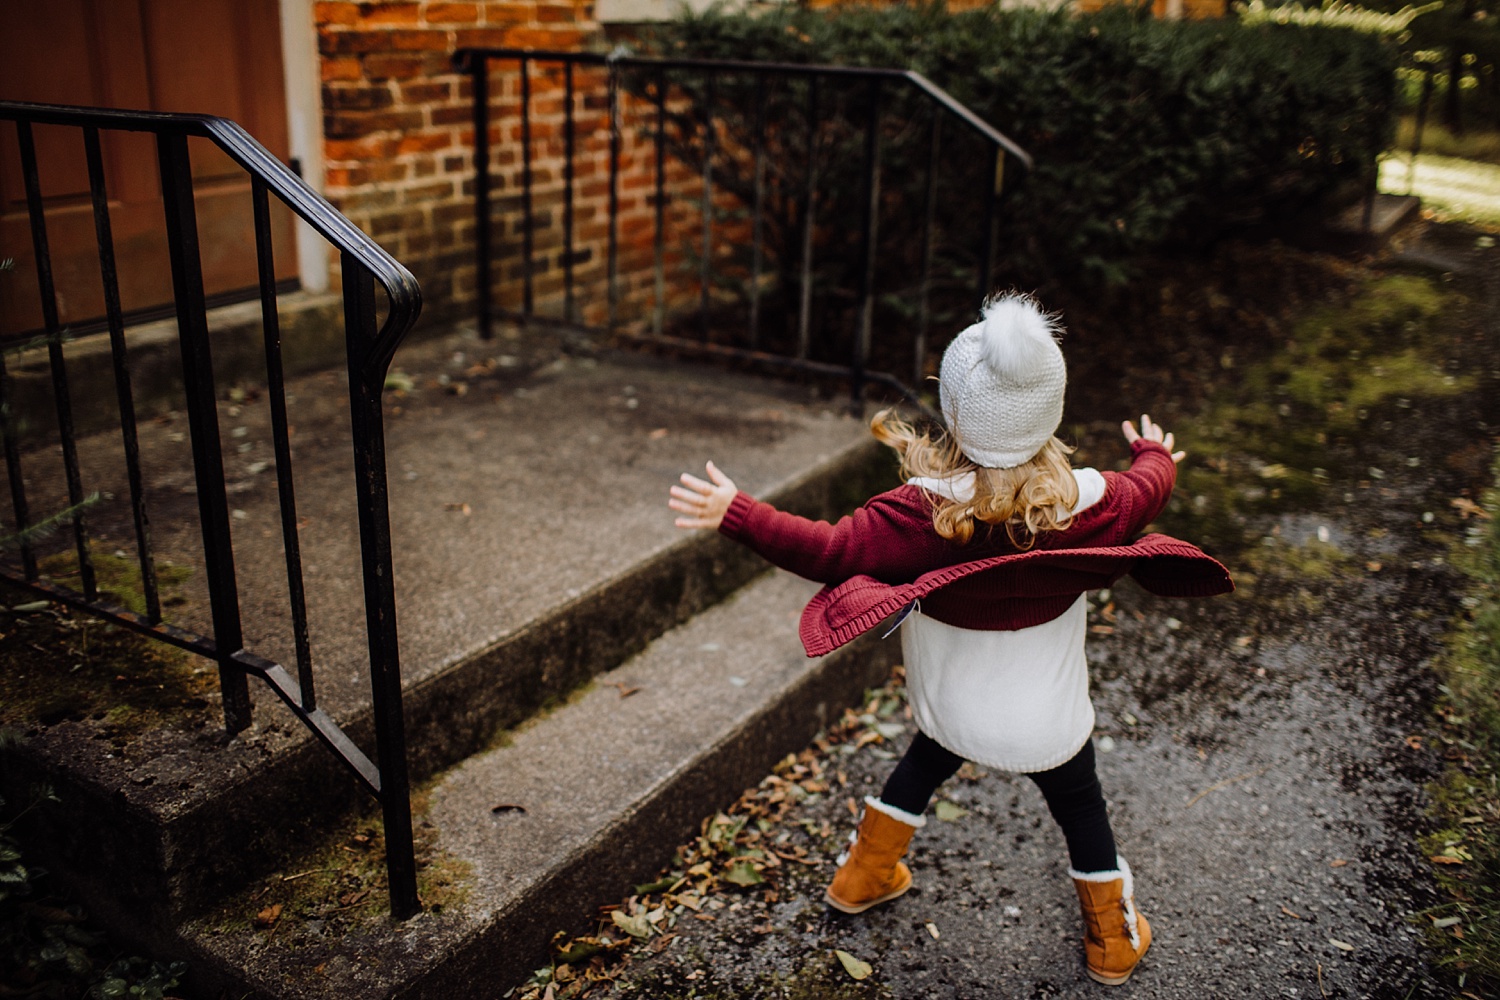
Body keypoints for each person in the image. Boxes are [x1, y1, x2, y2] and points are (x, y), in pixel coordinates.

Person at [668, 293, 1231, 987]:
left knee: (928, 757)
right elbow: (1151, 485)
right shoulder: (1095, 499)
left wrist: (739, 514)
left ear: (954, 414)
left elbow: (828, 551)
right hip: (1045, 720)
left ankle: (863, 874)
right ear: (1049, 413)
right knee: (1081, 804)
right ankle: (1112, 939)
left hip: (950, 708)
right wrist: (1153, 452)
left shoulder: (920, 513)